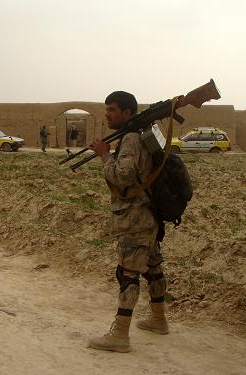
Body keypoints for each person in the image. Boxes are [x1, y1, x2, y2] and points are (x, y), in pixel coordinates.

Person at [87, 91, 168, 353]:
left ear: (128, 113)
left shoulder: (131, 138)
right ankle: (158, 319)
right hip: (149, 215)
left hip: (134, 217)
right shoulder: (142, 133)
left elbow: (123, 176)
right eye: (106, 109)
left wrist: (104, 155)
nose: (107, 114)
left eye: (112, 109)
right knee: (153, 267)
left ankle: (120, 335)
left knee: (128, 273)